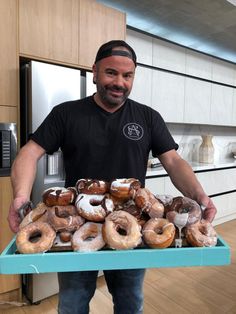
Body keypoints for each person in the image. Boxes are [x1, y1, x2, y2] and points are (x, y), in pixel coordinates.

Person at [8, 40, 216, 314]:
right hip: (76, 223)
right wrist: (20, 196)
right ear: (94, 71)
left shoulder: (147, 117)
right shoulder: (66, 114)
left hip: (133, 223)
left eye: (127, 75)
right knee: (72, 305)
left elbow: (174, 161)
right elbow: (29, 153)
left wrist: (200, 196)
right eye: (111, 73)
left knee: (130, 303)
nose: (119, 82)